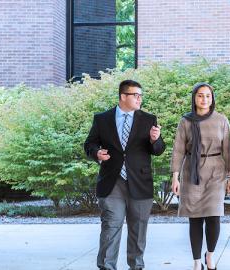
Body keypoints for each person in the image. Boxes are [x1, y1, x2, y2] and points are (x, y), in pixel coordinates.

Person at [84, 79, 166, 270]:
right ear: (123, 96)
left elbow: (159, 149)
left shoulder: (148, 119)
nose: (140, 99)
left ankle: (136, 266)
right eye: (135, 95)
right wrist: (96, 153)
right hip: (112, 182)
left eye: (141, 95)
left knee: (138, 230)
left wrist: (156, 140)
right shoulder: (102, 119)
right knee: (111, 227)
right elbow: (89, 144)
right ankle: (106, 266)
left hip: (140, 182)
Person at [170, 83, 230, 270]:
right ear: (194, 98)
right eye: (200, 96)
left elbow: (228, 151)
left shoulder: (221, 120)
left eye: (208, 96)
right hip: (192, 171)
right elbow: (178, 150)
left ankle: (210, 254)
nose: (204, 99)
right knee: (195, 218)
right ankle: (196, 261)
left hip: (216, 171)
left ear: (212, 98)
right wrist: (175, 177)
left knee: (214, 216)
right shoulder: (186, 121)